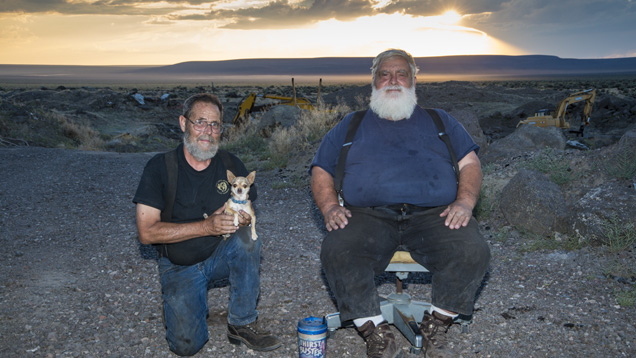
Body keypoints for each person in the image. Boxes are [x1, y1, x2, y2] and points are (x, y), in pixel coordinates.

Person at [309, 49, 490, 358]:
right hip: (368, 215)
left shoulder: (439, 120)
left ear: (414, 80)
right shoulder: (352, 124)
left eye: (401, 74)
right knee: (338, 250)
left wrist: (465, 201)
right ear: (374, 81)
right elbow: (321, 169)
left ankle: (437, 323)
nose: (393, 80)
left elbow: (470, 164)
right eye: (384, 74)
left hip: (435, 215)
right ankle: (374, 330)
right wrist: (329, 208)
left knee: (472, 250)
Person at [133, 93, 280, 356]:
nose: (208, 131)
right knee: (186, 346)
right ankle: (182, 303)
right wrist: (206, 227)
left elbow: (248, 209)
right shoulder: (160, 167)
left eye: (214, 125)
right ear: (183, 123)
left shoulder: (230, 165)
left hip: (219, 253)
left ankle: (242, 322)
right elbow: (146, 232)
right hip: (179, 265)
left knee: (248, 240)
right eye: (200, 122)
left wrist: (244, 219)